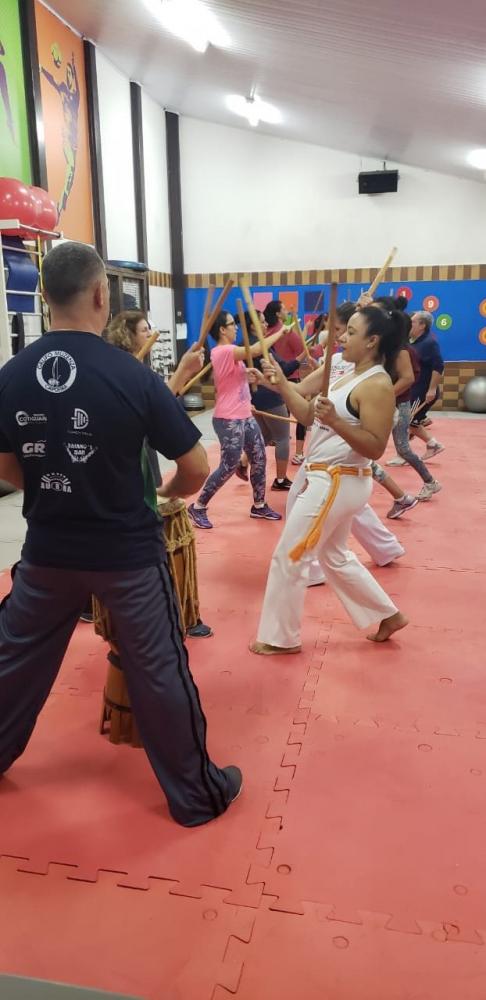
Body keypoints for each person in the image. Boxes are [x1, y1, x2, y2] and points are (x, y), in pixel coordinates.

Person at [0, 241, 242, 827]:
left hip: (48, 550)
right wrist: (161, 497)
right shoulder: (131, 377)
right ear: (101, 294)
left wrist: (49, 490)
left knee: (12, 660)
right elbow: (195, 469)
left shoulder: (10, 374)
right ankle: (195, 796)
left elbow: (7, 469)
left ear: (42, 295)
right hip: (127, 556)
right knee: (158, 669)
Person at [251, 305, 409, 654]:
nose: (341, 336)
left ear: (372, 341)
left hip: (339, 479)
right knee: (334, 556)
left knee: (289, 555)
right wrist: (281, 384)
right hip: (329, 478)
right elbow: (308, 413)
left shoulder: (378, 385)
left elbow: (376, 446)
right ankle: (388, 614)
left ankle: (281, 638)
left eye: (350, 332)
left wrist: (337, 422)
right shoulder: (347, 376)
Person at [102, 310, 212, 639]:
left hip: (143, 458)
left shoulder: (135, 369)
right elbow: (156, 400)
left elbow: (158, 402)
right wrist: (182, 371)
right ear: (127, 335)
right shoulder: (119, 370)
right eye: (144, 329)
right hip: (126, 470)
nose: (151, 333)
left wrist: (182, 372)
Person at [188, 310, 284, 529]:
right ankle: (198, 506)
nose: (236, 327)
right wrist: (281, 331)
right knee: (228, 465)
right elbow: (258, 349)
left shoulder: (231, 354)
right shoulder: (223, 351)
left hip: (244, 414)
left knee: (259, 457)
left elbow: (233, 383)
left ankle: (259, 505)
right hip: (227, 418)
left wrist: (247, 384)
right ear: (222, 329)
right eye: (232, 324)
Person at [241, 309, 310, 491]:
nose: (266, 325)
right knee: (282, 438)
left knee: (265, 435)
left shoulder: (248, 344)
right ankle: (280, 479)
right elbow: (284, 370)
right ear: (252, 325)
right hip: (270, 395)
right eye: (262, 322)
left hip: (257, 397)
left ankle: (243, 461)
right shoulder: (258, 346)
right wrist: (303, 355)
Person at [264, 300, 309, 466]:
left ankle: (246, 459)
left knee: (275, 427)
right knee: (302, 417)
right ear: (277, 313)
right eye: (284, 309)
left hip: (275, 381)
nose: (287, 311)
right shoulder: (285, 332)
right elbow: (301, 349)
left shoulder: (268, 334)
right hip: (291, 378)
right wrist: (309, 353)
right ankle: (298, 453)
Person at [408, 310, 445, 460]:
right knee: (409, 421)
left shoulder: (429, 343)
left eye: (413, 322)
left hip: (423, 391)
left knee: (408, 421)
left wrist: (431, 389)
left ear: (422, 325)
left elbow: (438, 366)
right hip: (414, 389)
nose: (409, 325)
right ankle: (429, 445)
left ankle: (432, 444)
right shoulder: (414, 342)